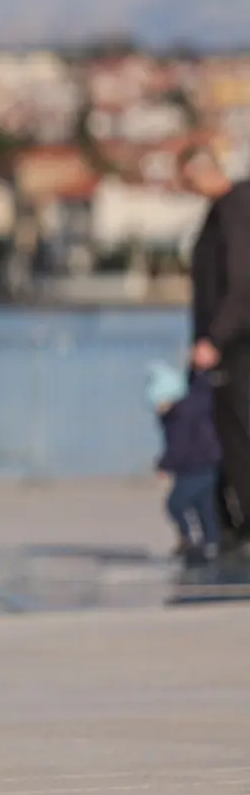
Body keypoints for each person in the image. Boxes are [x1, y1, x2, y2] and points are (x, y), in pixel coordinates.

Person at [184, 146, 250, 546]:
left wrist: (215, 339)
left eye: (187, 179)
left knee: (235, 435)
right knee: (218, 435)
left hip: (234, 345)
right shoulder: (223, 209)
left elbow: (242, 284)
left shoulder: (236, 208)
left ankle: (239, 526)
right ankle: (225, 525)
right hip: (225, 342)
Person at [148, 362, 222, 566]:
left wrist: (164, 465)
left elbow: (178, 446)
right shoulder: (190, 407)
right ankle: (211, 541)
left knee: (176, 504)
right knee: (203, 505)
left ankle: (190, 539)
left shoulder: (179, 416)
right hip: (206, 463)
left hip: (194, 467)